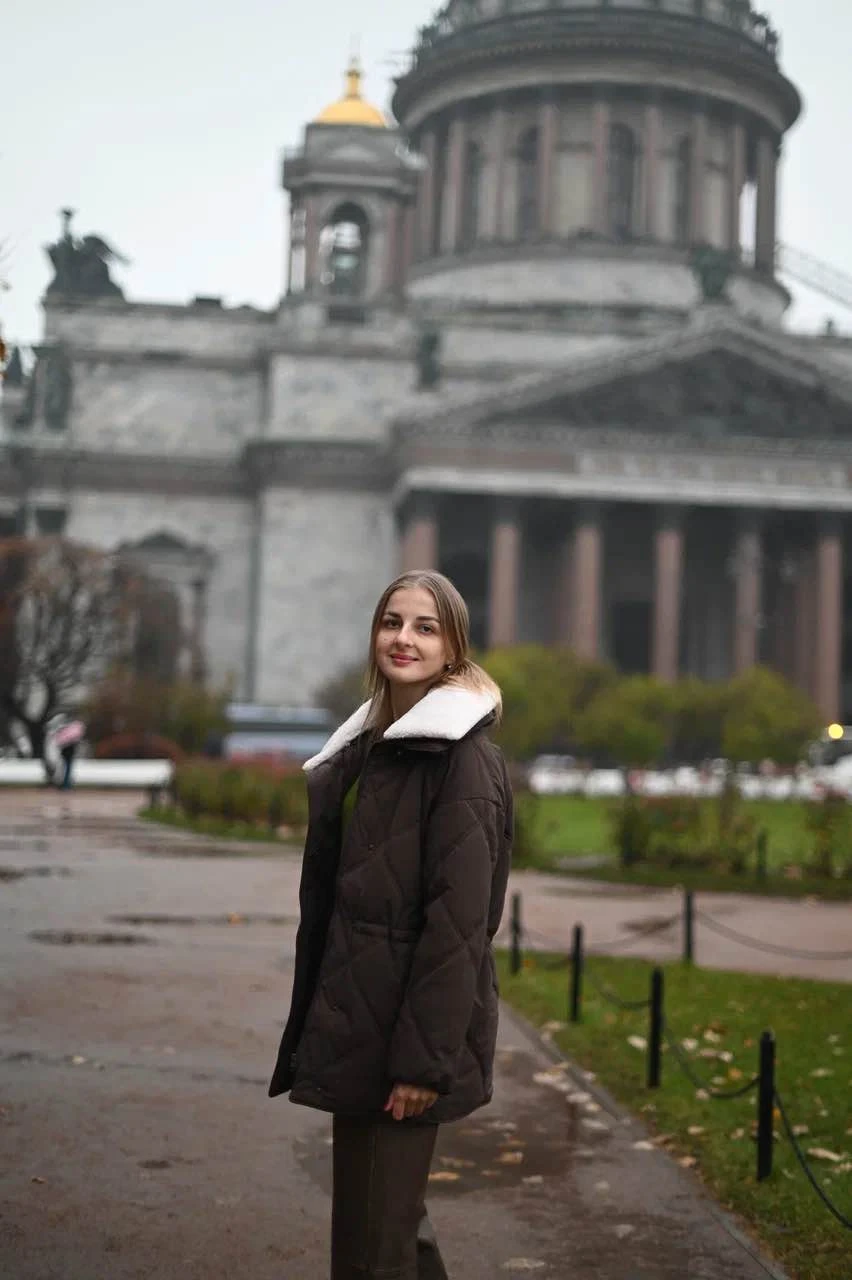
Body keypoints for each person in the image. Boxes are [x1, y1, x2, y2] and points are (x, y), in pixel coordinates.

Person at [269, 570, 513, 1279]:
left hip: (404, 1039)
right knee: (389, 1235)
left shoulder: (461, 761)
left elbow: (460, 928)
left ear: (453, 649)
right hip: (359, 1025)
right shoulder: (377, 747)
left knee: (376, 1250)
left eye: (425, 627)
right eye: (392, 622)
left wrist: (421, 1063)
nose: (403, 638)